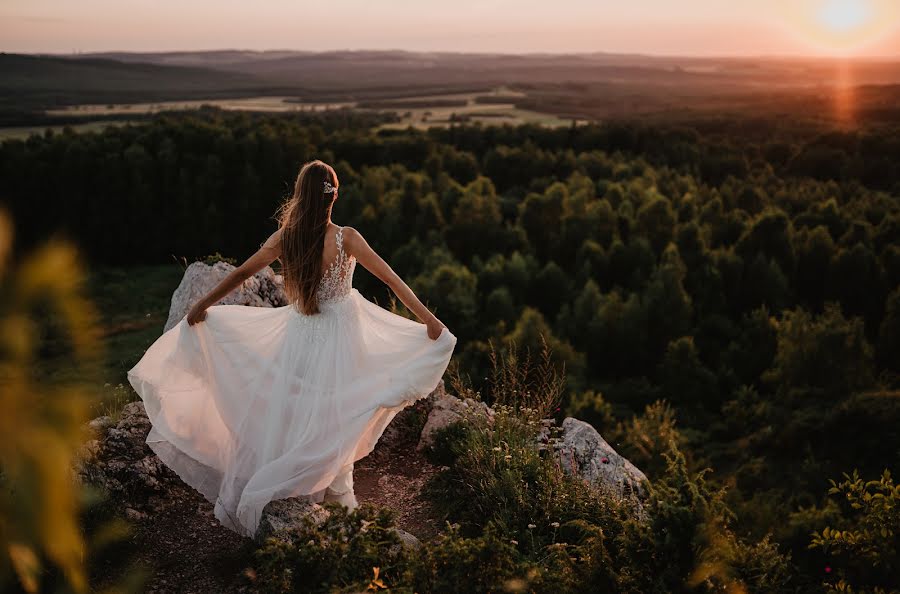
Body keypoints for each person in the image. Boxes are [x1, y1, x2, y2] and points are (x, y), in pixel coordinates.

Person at [127, 159, 457, 538]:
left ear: (300, 195)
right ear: (335, 196)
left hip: (301, 333)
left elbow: (240, 274)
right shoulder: (346, 237)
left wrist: (203, 305)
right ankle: (335, 491)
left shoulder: (286, 239)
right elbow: (392, 280)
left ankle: (313, 485)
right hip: (342, 334)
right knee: (338, 410)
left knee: (298, 409)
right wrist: (429, 319)